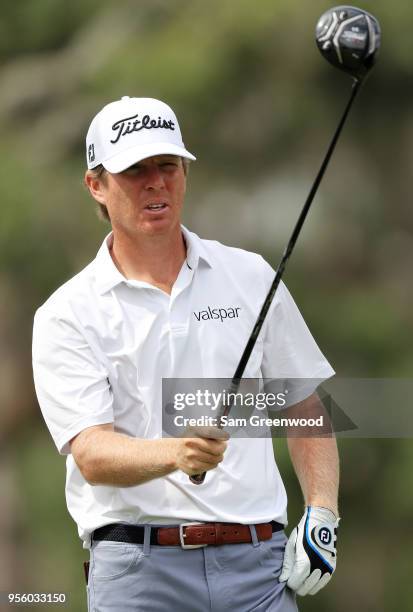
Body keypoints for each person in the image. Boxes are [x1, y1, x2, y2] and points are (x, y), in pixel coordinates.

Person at [32, 96, 340, 612]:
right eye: (134, 170)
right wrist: (176, 452)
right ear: (96, 185)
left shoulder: (250, 276)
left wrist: (322, 512)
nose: (155, 181)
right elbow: (92, 453)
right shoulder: (67, 312)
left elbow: (304, 405)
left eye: (167, 165)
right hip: (139, 576)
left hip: (259, 571)